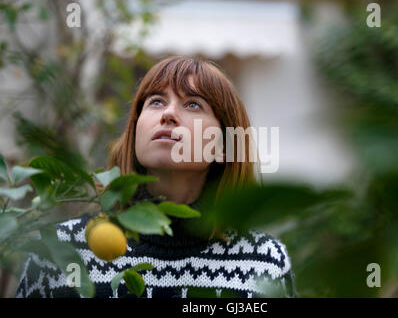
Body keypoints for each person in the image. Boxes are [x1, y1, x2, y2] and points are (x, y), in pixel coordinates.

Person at [16, 56, 298, 298]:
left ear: (223, 145)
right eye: (156, 101)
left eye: (193, 105)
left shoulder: (264, 262)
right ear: (136, 129)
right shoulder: (58, 251)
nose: (169, 114)